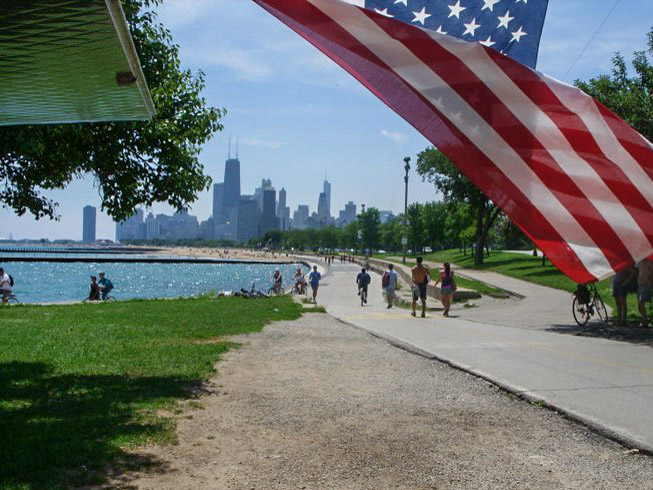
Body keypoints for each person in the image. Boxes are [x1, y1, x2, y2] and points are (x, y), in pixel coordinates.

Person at [637, 259, 653, 328]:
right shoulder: (640, 261)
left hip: (647, 284)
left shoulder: (649, 261)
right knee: (639, 304)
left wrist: (650, 280)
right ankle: (645, 319)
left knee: (641, 302)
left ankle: (644, 321)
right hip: (640, 284)